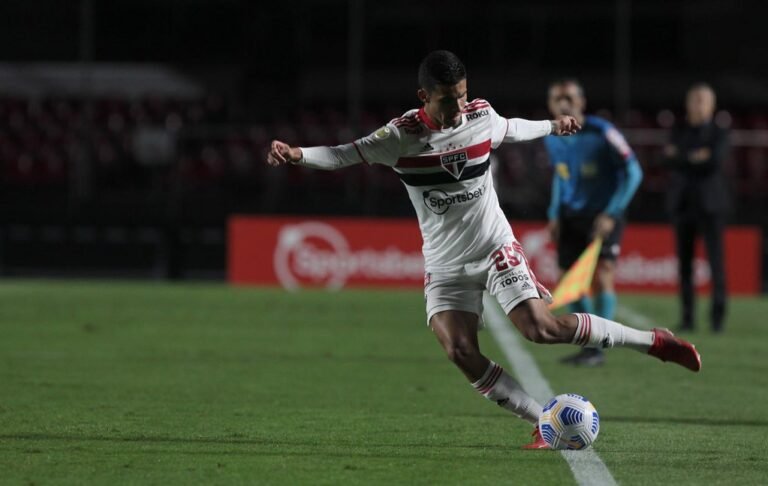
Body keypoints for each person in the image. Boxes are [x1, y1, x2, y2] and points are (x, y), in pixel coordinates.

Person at [267, 50, 701, 449]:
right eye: (446, 100)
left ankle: (655, 343)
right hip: (445, 262)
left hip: (494, 245)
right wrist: (297, 153)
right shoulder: (400, 136)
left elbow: (512, 128)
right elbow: (344, 154)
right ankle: (541, 422)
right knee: (459, 350)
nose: (458, 107)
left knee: (540, 329)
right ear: (423, 97)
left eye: (462, 95)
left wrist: (554, 125)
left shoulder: (480, 116)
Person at [543, 79, 644, 366]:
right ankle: (589, 345)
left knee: (602, 275)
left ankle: (599, 346)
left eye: (570, 98)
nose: (564, 104)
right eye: (558, 99)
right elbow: (560, 177)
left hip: (604, 214)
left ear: (582, 102)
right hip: (571, 216)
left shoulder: (604, 132)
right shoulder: (551, 136)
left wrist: (612, 213)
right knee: (568, 280)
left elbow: (634, 173)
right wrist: (553, 214)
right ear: (551, 105)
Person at [663, 83, 729, 333]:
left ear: (712, 106)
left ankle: (717, 320)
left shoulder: (720, 132)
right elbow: (666, 159)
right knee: (685, 267)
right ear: (688, 104)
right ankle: (688, 318)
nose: (699, 105)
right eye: (695, 100)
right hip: (683, 205)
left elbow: (713, 161)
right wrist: (694, 157)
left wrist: (682, 157)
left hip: (711, 206)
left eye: (704, 100)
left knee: (716, 265)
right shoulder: (678, 129)